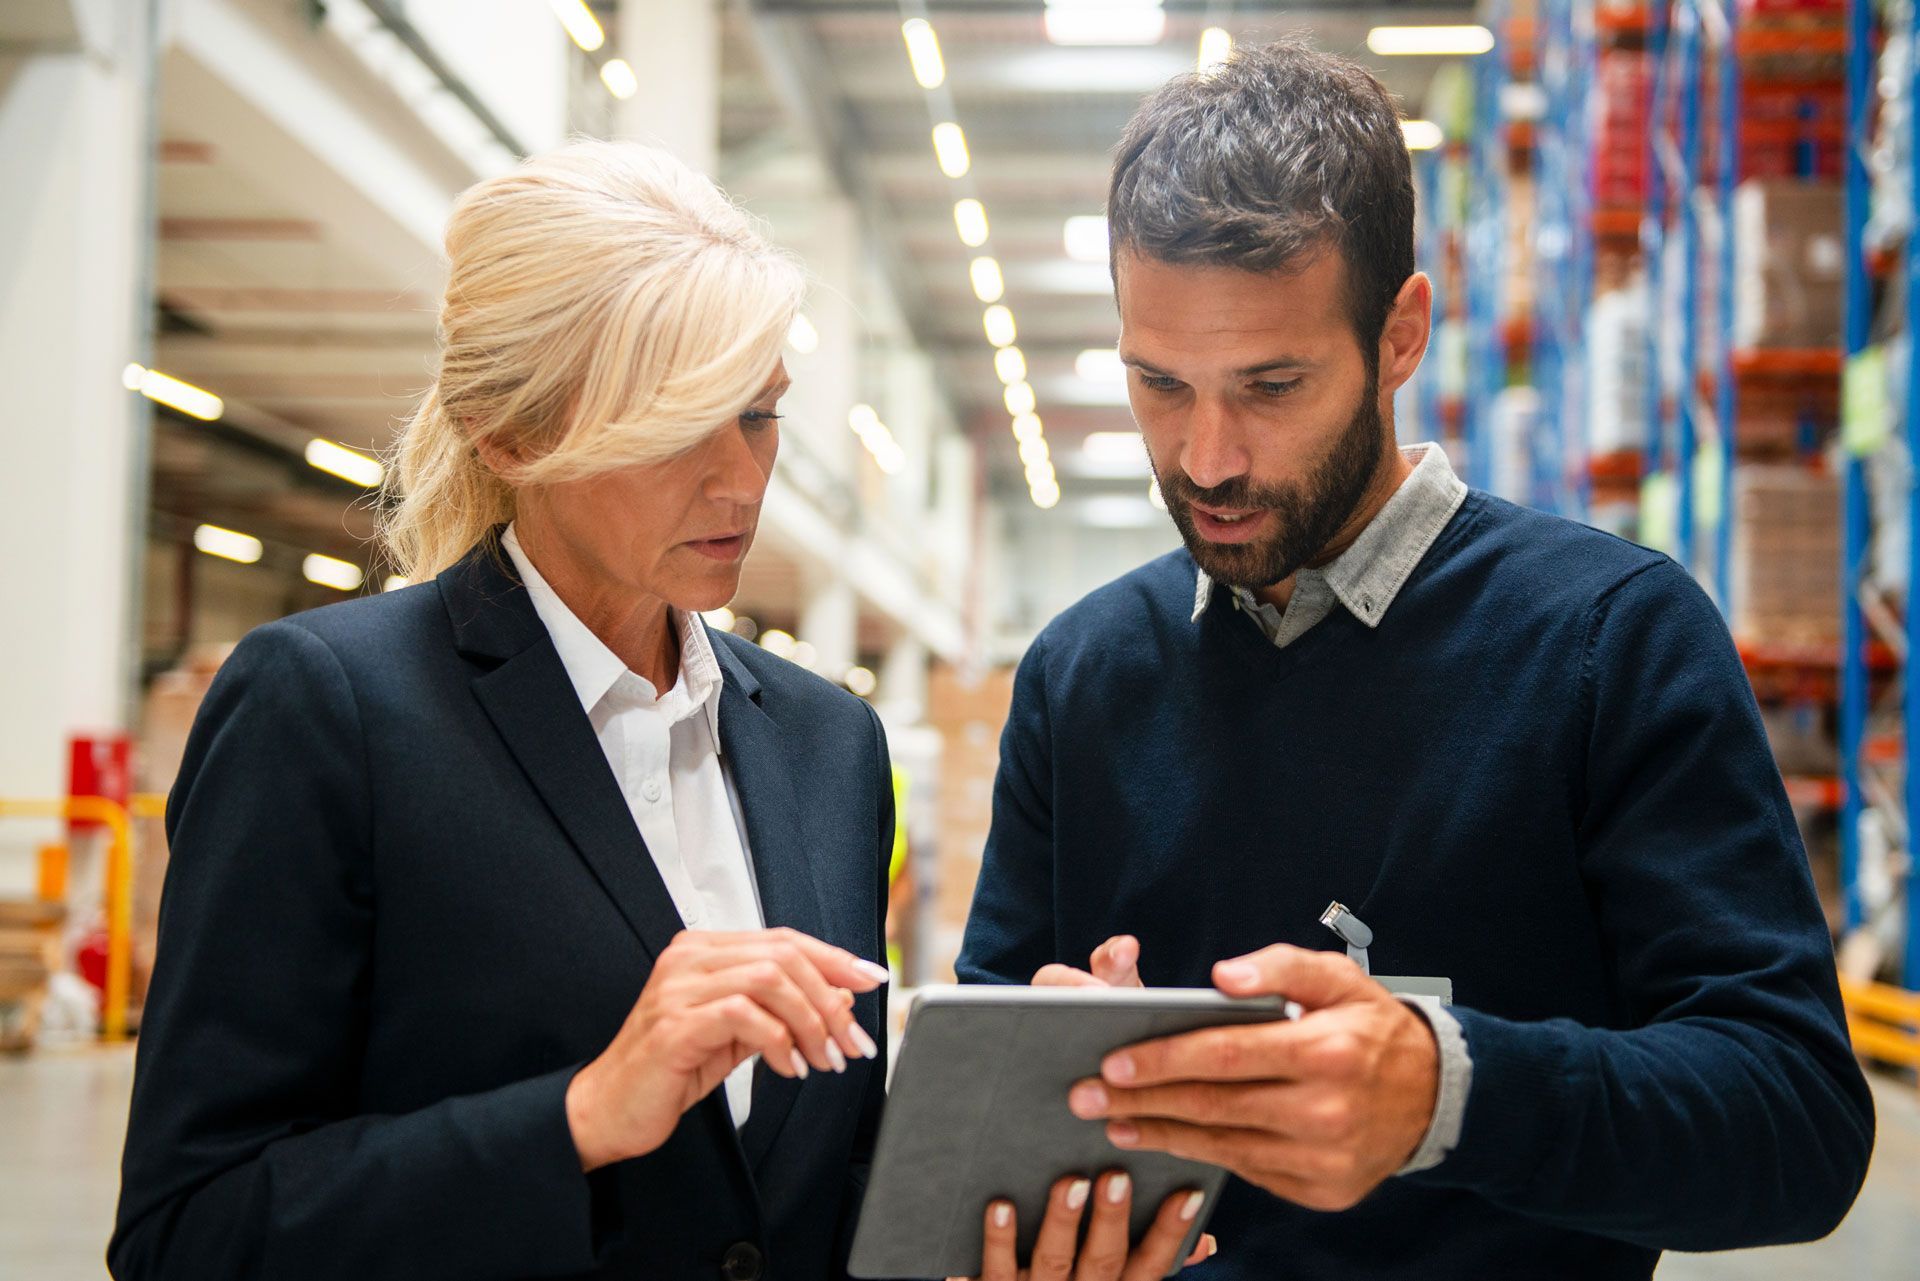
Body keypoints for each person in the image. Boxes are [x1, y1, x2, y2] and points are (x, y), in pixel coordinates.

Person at [957, 38, 1876, 1281]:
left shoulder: (1611, 640)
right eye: (1159, 383)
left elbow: (1797, 1122)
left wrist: (1451, 1093)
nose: (1208, 457)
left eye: (1271, 384)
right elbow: (975, 1127)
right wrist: (1031, 1133)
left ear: (1400, 336)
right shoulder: (1078, 679)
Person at [110, 141, 897, 1280]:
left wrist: (1017, 1163)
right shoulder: (332, 712)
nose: (739, 481)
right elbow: (189, 1233)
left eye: (760, 416)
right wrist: (577, 1117)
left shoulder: (828, 745)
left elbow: (818, 1189)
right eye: (679, 426)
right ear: (510, 431)